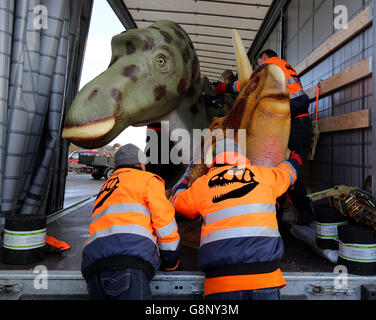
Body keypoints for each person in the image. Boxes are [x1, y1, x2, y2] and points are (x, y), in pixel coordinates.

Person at [171, 138, 302, 300]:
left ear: (215, 159)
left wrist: (183, 186)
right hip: (264, 279)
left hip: (221, 283)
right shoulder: (265, 176)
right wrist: (294, 160)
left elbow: (178, 203)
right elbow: (288, 173)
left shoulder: (203, 185)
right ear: (241, 156)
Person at [215, 50, 314, 225]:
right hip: (300, 122)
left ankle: (304, 212)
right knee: (286, 166)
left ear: (265, 57)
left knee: (288, 167)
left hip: (293, 124)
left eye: (258, 60)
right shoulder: (285, 66)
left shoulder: (271, 65)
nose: (258, 64)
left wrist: (225, 88)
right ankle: (280, 214)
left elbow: (247, 83)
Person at [81, 143, 180, 300]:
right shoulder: (147, 180)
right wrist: (171, 262)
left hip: (93, 268)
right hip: (128, 265)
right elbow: (165, 224)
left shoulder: (107, 187)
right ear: (141, 164)